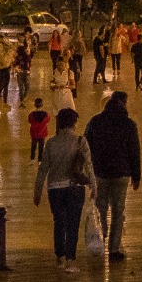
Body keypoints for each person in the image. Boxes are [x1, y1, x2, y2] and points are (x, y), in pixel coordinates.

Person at [83, 92, 142, 261]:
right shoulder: (129, 125)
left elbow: (86, 146)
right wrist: (136, 176)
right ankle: (114, 249)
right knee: (118, 211)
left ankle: (100, 242)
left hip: (100, 173)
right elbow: (134, 151)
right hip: (121, 173)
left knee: (100, 209)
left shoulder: (95, 122)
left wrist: (88, 173)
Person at [34, 107, 94, 272]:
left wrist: (37, 191)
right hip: (75, 188)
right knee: (73, 224)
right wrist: (93, 186)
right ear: (74, 123)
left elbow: (43, 169)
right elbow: (89, 166)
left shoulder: (51, 143)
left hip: (55, 189)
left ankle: (59, 257)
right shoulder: (80, 141)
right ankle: (70, 260)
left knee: (59, 222)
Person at [0, 34, 15, 105]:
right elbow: (1, 61)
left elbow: (12, 48)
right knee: (1, 86)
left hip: (6, 69)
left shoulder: (6, 50)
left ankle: (5, 102)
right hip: (0, 69)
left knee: (6, 86)